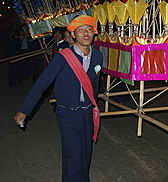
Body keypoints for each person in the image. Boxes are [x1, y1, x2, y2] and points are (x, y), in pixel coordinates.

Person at [14, 15, 103, 182]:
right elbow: (42, 84)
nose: (85, 33)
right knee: (73, 154)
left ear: (94, 33)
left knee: (85, 152)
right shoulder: (63, 58)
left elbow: (95, 85)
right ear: (73, 35)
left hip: (87, 113)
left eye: (89, 29)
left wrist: (94, 107)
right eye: (81, 30)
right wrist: (24, 110)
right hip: (67, 114)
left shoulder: (98, 57)